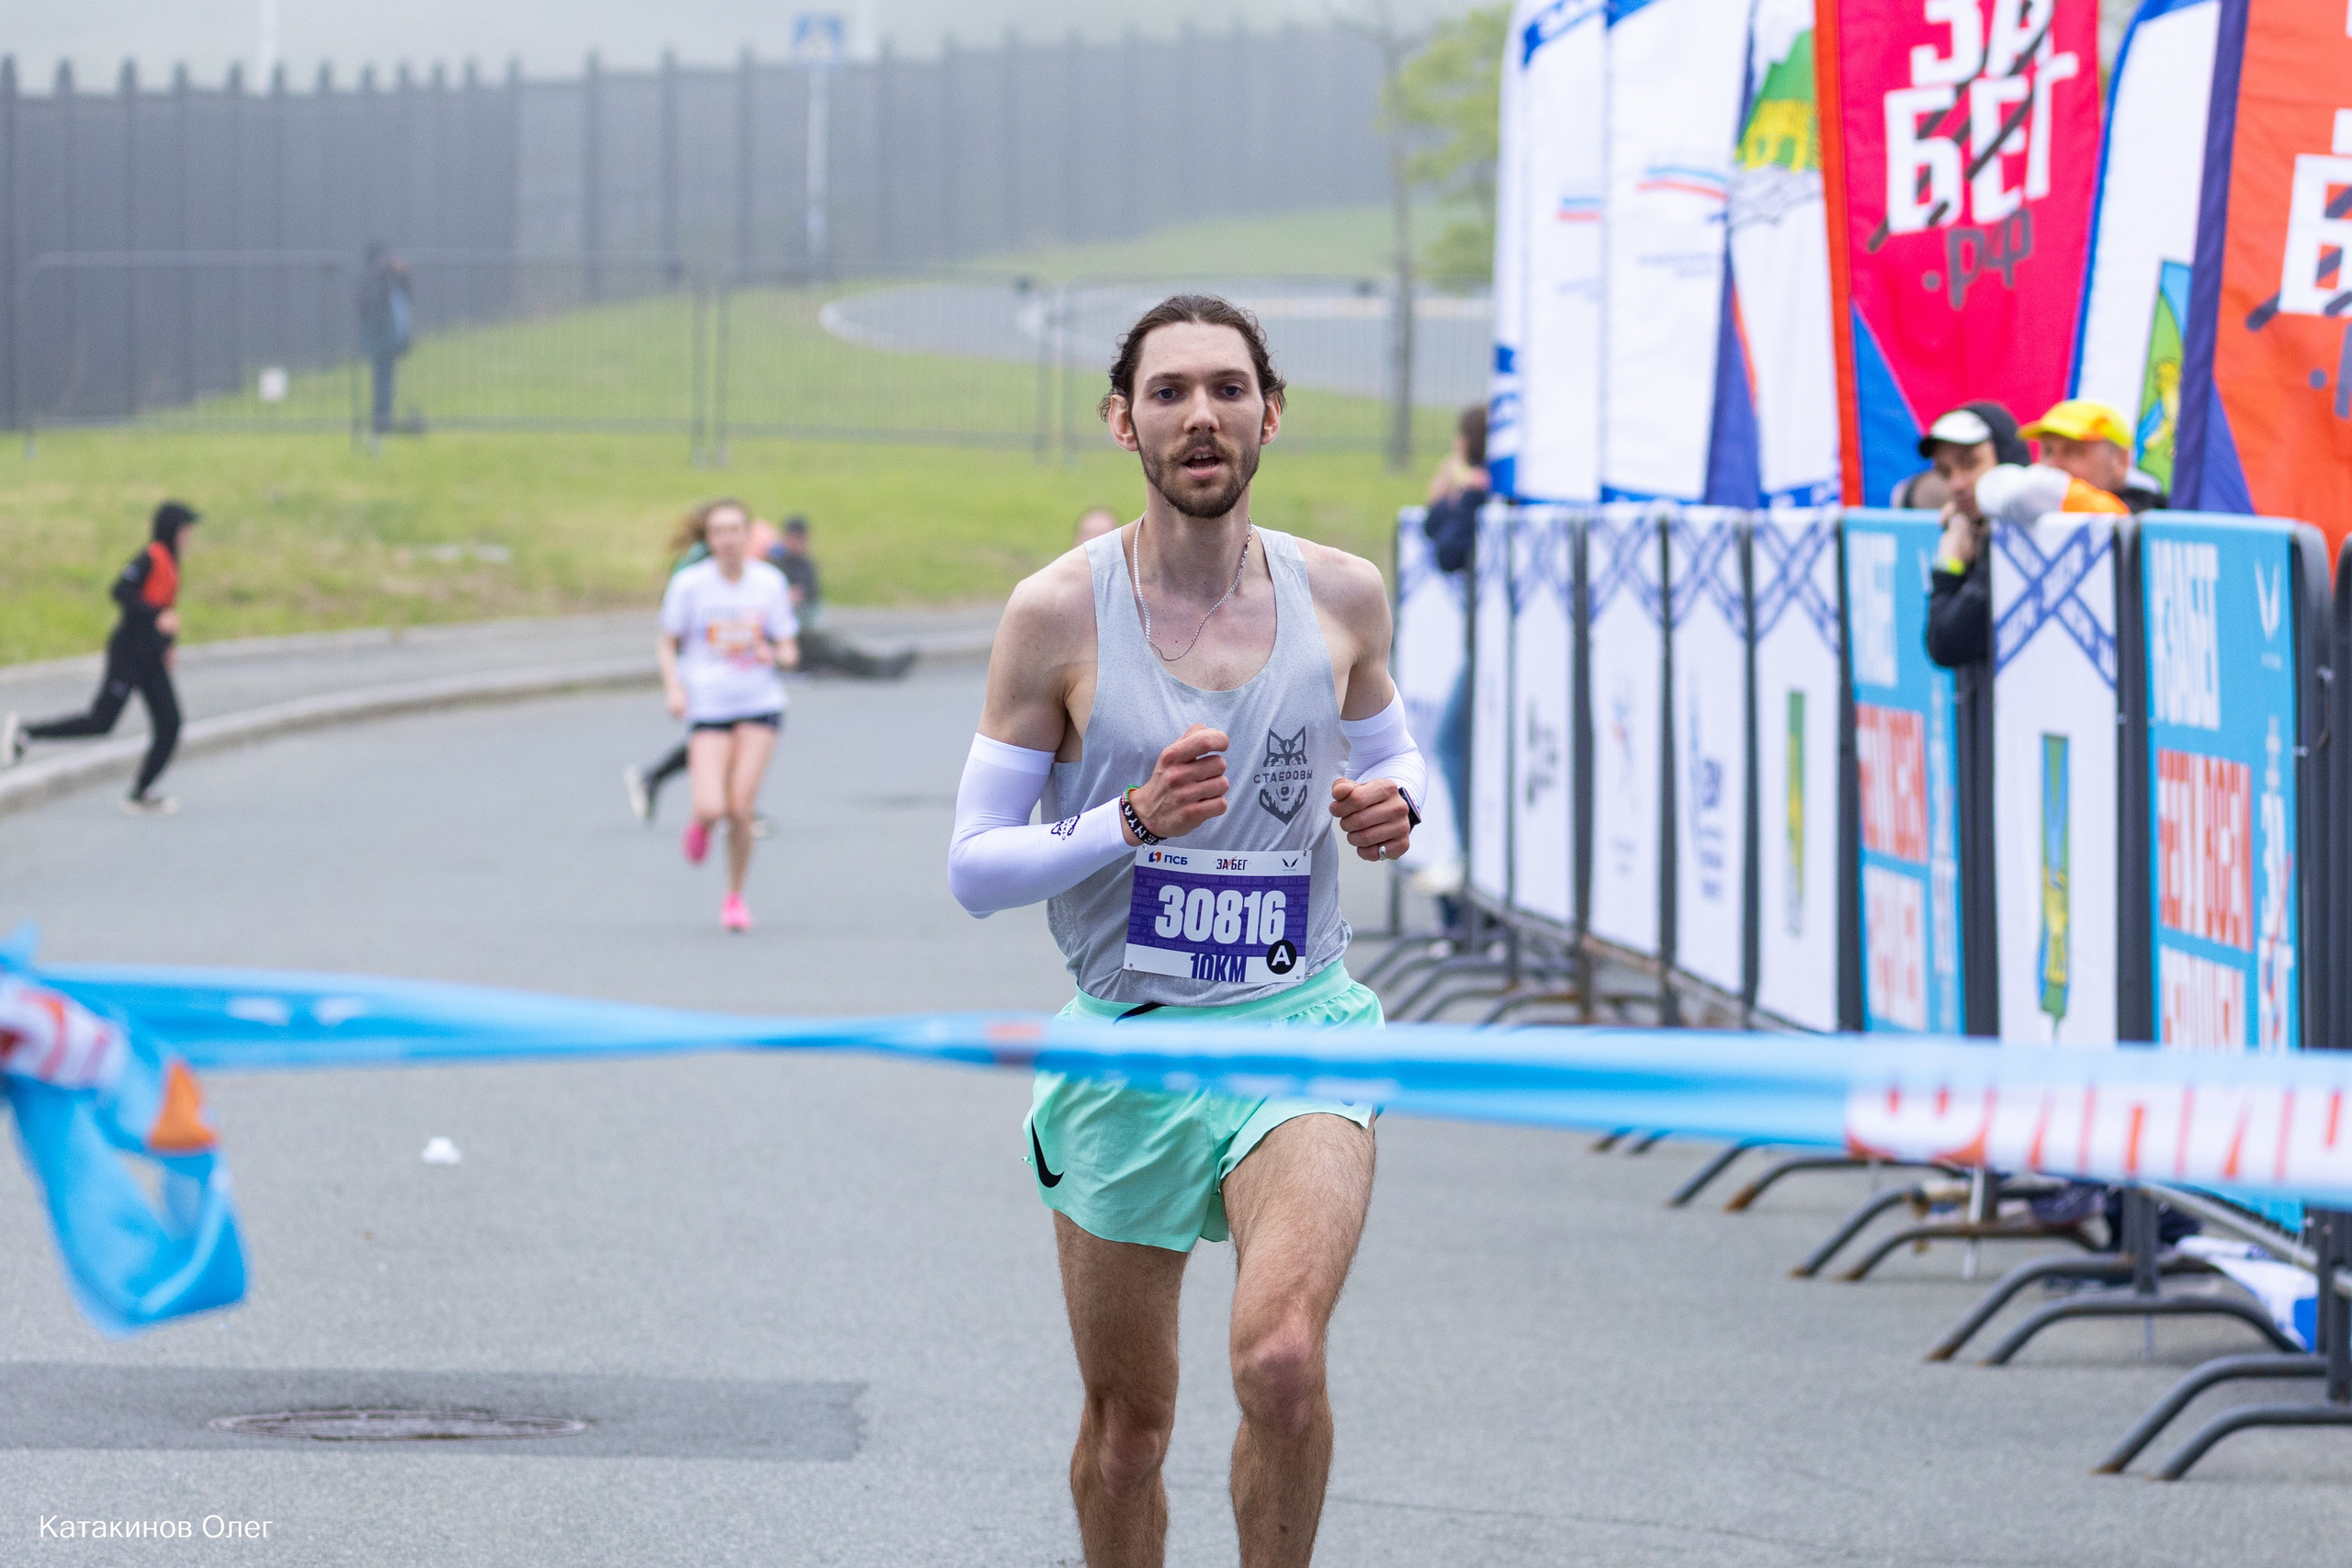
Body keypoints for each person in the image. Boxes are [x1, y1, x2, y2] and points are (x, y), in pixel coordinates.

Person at [947, 294, 1425, 1568]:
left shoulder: (1343, 593)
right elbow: (975, 868)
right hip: (1126, 1045)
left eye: (1227, 388)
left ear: (1271, 414)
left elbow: (1395, 754)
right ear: (1124, 423)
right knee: (1128, 1434)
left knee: (1282, 1360)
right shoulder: (1056, 613)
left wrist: (1395, 807)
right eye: (1168, 392)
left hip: (1298, 1025)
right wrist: (1130, 820)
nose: (1200, 415)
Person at [4, 502, 200, 817]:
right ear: (173, 529)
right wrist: (155, 617)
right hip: (128, 653)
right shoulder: (151, 556)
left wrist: (168, 644)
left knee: (169, 724)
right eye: (186, 528)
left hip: (151, 656)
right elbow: (121, 592)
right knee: (101, 721)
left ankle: (141, 793)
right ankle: (27, 732)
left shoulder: (172, 561)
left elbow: (164, 607)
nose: (189, 535)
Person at [656, 499, 798, 931]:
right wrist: (674, 688)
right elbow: (667, 642)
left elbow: (789, 649)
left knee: (740, 808)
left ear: (747, 534)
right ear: (709, 539)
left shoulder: (768, 583)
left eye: (736, 530)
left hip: (759, 704)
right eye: (719, 531)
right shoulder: (690, 585)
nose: (728, 539)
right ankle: (701, 823)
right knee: (711, 805)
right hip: (709, 705)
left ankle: (734, 895)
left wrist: (774, 654)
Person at [1419, 404, 1487, 917]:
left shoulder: (1482, 495)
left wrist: (1454, 493)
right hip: (1491, 642)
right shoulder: (1482, 494)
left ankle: (1473, 858)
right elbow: (1436, 532)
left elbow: (1447, 550)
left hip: (1496, 647)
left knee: (1451, 741)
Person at [765, 517, 917, 681]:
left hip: (803, 627)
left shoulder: (807, 565)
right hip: (788, 632)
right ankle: (878, 669)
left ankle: (878, 666)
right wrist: (785, 600)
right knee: (832, 648)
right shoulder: (775, 567)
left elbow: (812, 601)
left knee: (836, 647)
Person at [2017, 398, 2168, 513]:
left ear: (2121, 460)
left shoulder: (2152, 514)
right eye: (2048, 451)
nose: (2053, 465)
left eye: (2073, 451)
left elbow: (2114, 516)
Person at [356, 242, 413, 437]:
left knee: (384, 378)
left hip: (385, 338)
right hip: (382, 338)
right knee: (383, 378)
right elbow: (373, 305)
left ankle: (383, 417)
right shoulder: (378, 277)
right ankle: (381, 419)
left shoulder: (381, 277)